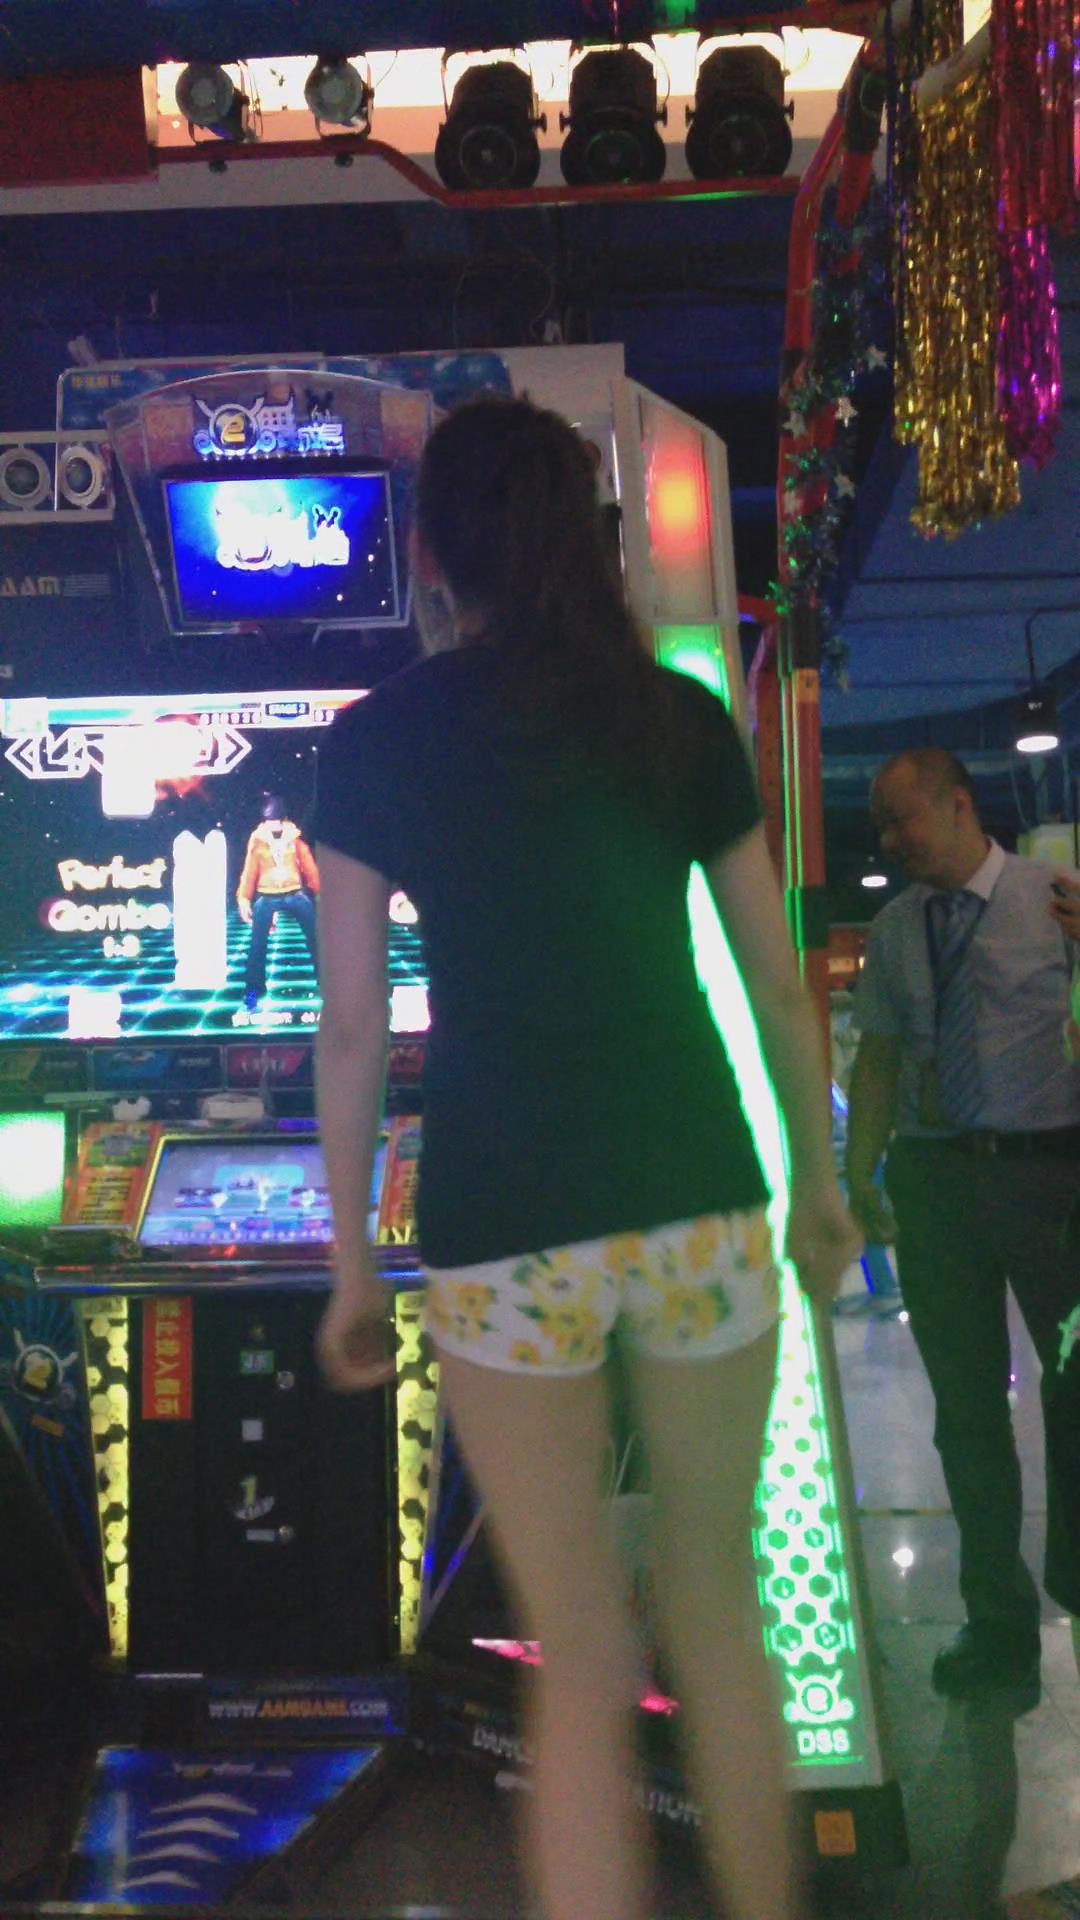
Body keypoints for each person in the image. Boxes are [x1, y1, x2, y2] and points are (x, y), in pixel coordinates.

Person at [312, 396, 860, 1920]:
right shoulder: (673, 719)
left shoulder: (375, 743)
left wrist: (352, 1263)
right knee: (719, 1616)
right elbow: (776, 984)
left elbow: (352, 1028)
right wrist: (821, 1188)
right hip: (694, 1195)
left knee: (576, 1658)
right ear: (584, 533)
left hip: (503, 1223)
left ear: (434, 559)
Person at [846, 747, 1080, 1701]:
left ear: (958, 804)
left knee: (1076, 1394)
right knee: (968, 1414)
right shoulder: (896, 928)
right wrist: (859, 1169)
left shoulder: (1054, 900)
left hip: (1052, 1177)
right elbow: (877, 1055)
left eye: (903, 819)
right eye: (882, 826)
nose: (891, 841)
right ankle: (998, 1628)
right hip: (936, 1181)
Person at [236, 793, 320, 1012]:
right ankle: (252, 993)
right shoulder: (258, 839)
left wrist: (319, 890)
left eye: (276, 820)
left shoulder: (294, 837)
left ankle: (329, 984)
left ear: (282, 818)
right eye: (269, 820)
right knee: (257, 946)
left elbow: (308, 864)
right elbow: (250, 870)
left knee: (316, 938)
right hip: (267, 896)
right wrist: (244, 898)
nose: (272, 824)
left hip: (295, 893)